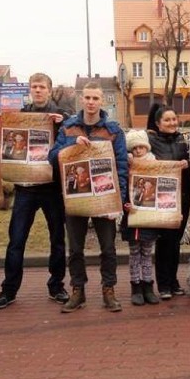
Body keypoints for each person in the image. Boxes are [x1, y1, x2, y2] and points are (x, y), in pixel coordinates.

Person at [0, 73, 70, 310]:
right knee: (16, 240)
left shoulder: (60, 116)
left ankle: (56, 285)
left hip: (52, 187)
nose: (38, 90)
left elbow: (74, 138)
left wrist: (62, 123)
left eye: (42, 87)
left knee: (57, 239)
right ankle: (9, 289)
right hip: (25, 188)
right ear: (29, 90)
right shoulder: (18, 117)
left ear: (49, 89)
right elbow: (0, 141)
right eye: (34, 87)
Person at [49, 81, 128, 313]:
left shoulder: (114, 131)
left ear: (102, 101)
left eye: (95, 98)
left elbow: (122, 166)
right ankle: (77, 290)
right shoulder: (68, 128)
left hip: (105, 197)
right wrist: (73, 145)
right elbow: (52, 158)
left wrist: (119, 199)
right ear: (81, 99)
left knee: (108, 248)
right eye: (88, 98)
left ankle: (109, 290)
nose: (91, 102)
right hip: (75, 198)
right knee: (75, 249)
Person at [146, 104, 190, 300]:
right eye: (167, 120)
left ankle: (174, 282)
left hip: (182, 197)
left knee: (175, 242)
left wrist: (188, 163)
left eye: (174, 119)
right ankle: (163, 284)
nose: (172, 123)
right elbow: (142, 161)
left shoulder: (184, 141)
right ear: (158, 123)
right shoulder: (151, 142)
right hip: (162, 199)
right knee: (164, 242)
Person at [122, 129, 160, 306]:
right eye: (134, 147)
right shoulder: (127, 165)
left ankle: (148, 286)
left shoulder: (155, 164)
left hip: (149, 216)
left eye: (141, 147)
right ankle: (135, 287)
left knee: (147, 253)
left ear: (147, 147)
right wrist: (125, 203)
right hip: (133, 217)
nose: (138, 150)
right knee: (134, 253)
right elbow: (122, 185)